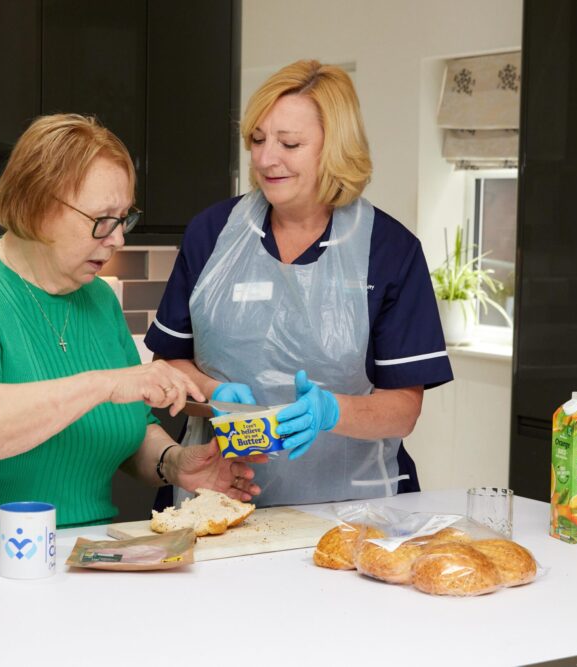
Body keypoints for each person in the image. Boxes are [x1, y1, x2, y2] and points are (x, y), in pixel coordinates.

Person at [0, 114, 263, 541]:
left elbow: (129, 428)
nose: (117, 240)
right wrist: (105, 384)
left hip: (74, 555)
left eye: (123, 218)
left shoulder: (97, 299)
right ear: (38, 207)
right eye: (103, 219)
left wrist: (175, 462)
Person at [144, 60, 453, 506]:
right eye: (257, 140)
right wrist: (213, 393)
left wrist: (333, 411)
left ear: (335, 148)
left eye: (289, 143)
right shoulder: (211, 234)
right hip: (217, 500)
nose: (267, 159)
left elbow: (403, 409)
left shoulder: (389, 250)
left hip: (353, 512)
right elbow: (168, 362)